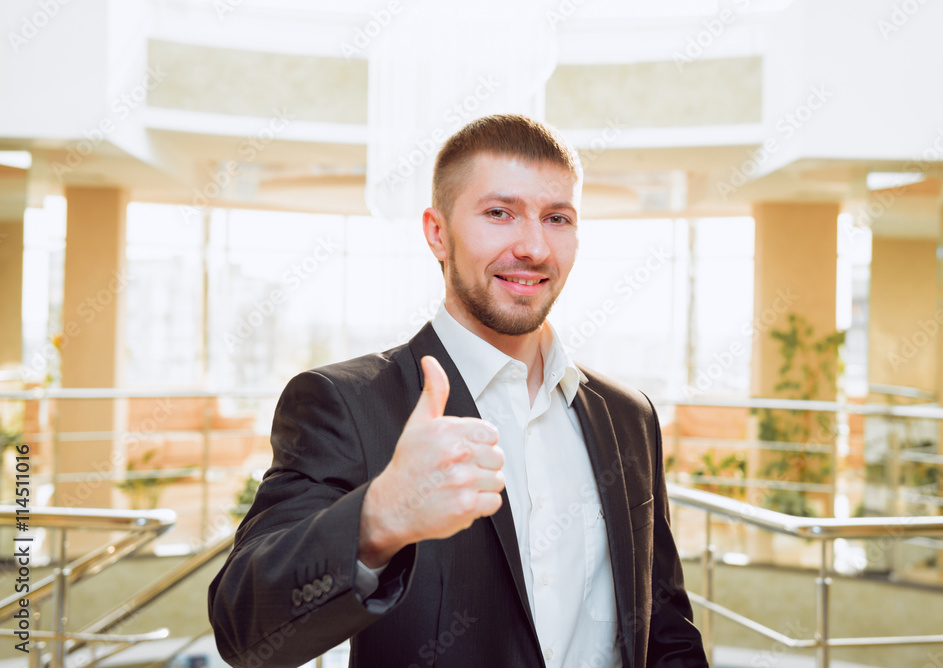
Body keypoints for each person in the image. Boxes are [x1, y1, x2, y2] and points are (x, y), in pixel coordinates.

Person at [208, 114, 708, 668]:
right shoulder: (346, 404)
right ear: (437, 231)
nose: (535, 247)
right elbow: (244, 628)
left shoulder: (629, 417)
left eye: (557, 218)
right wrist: (379, 518)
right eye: (500, 213)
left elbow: (666, 628)